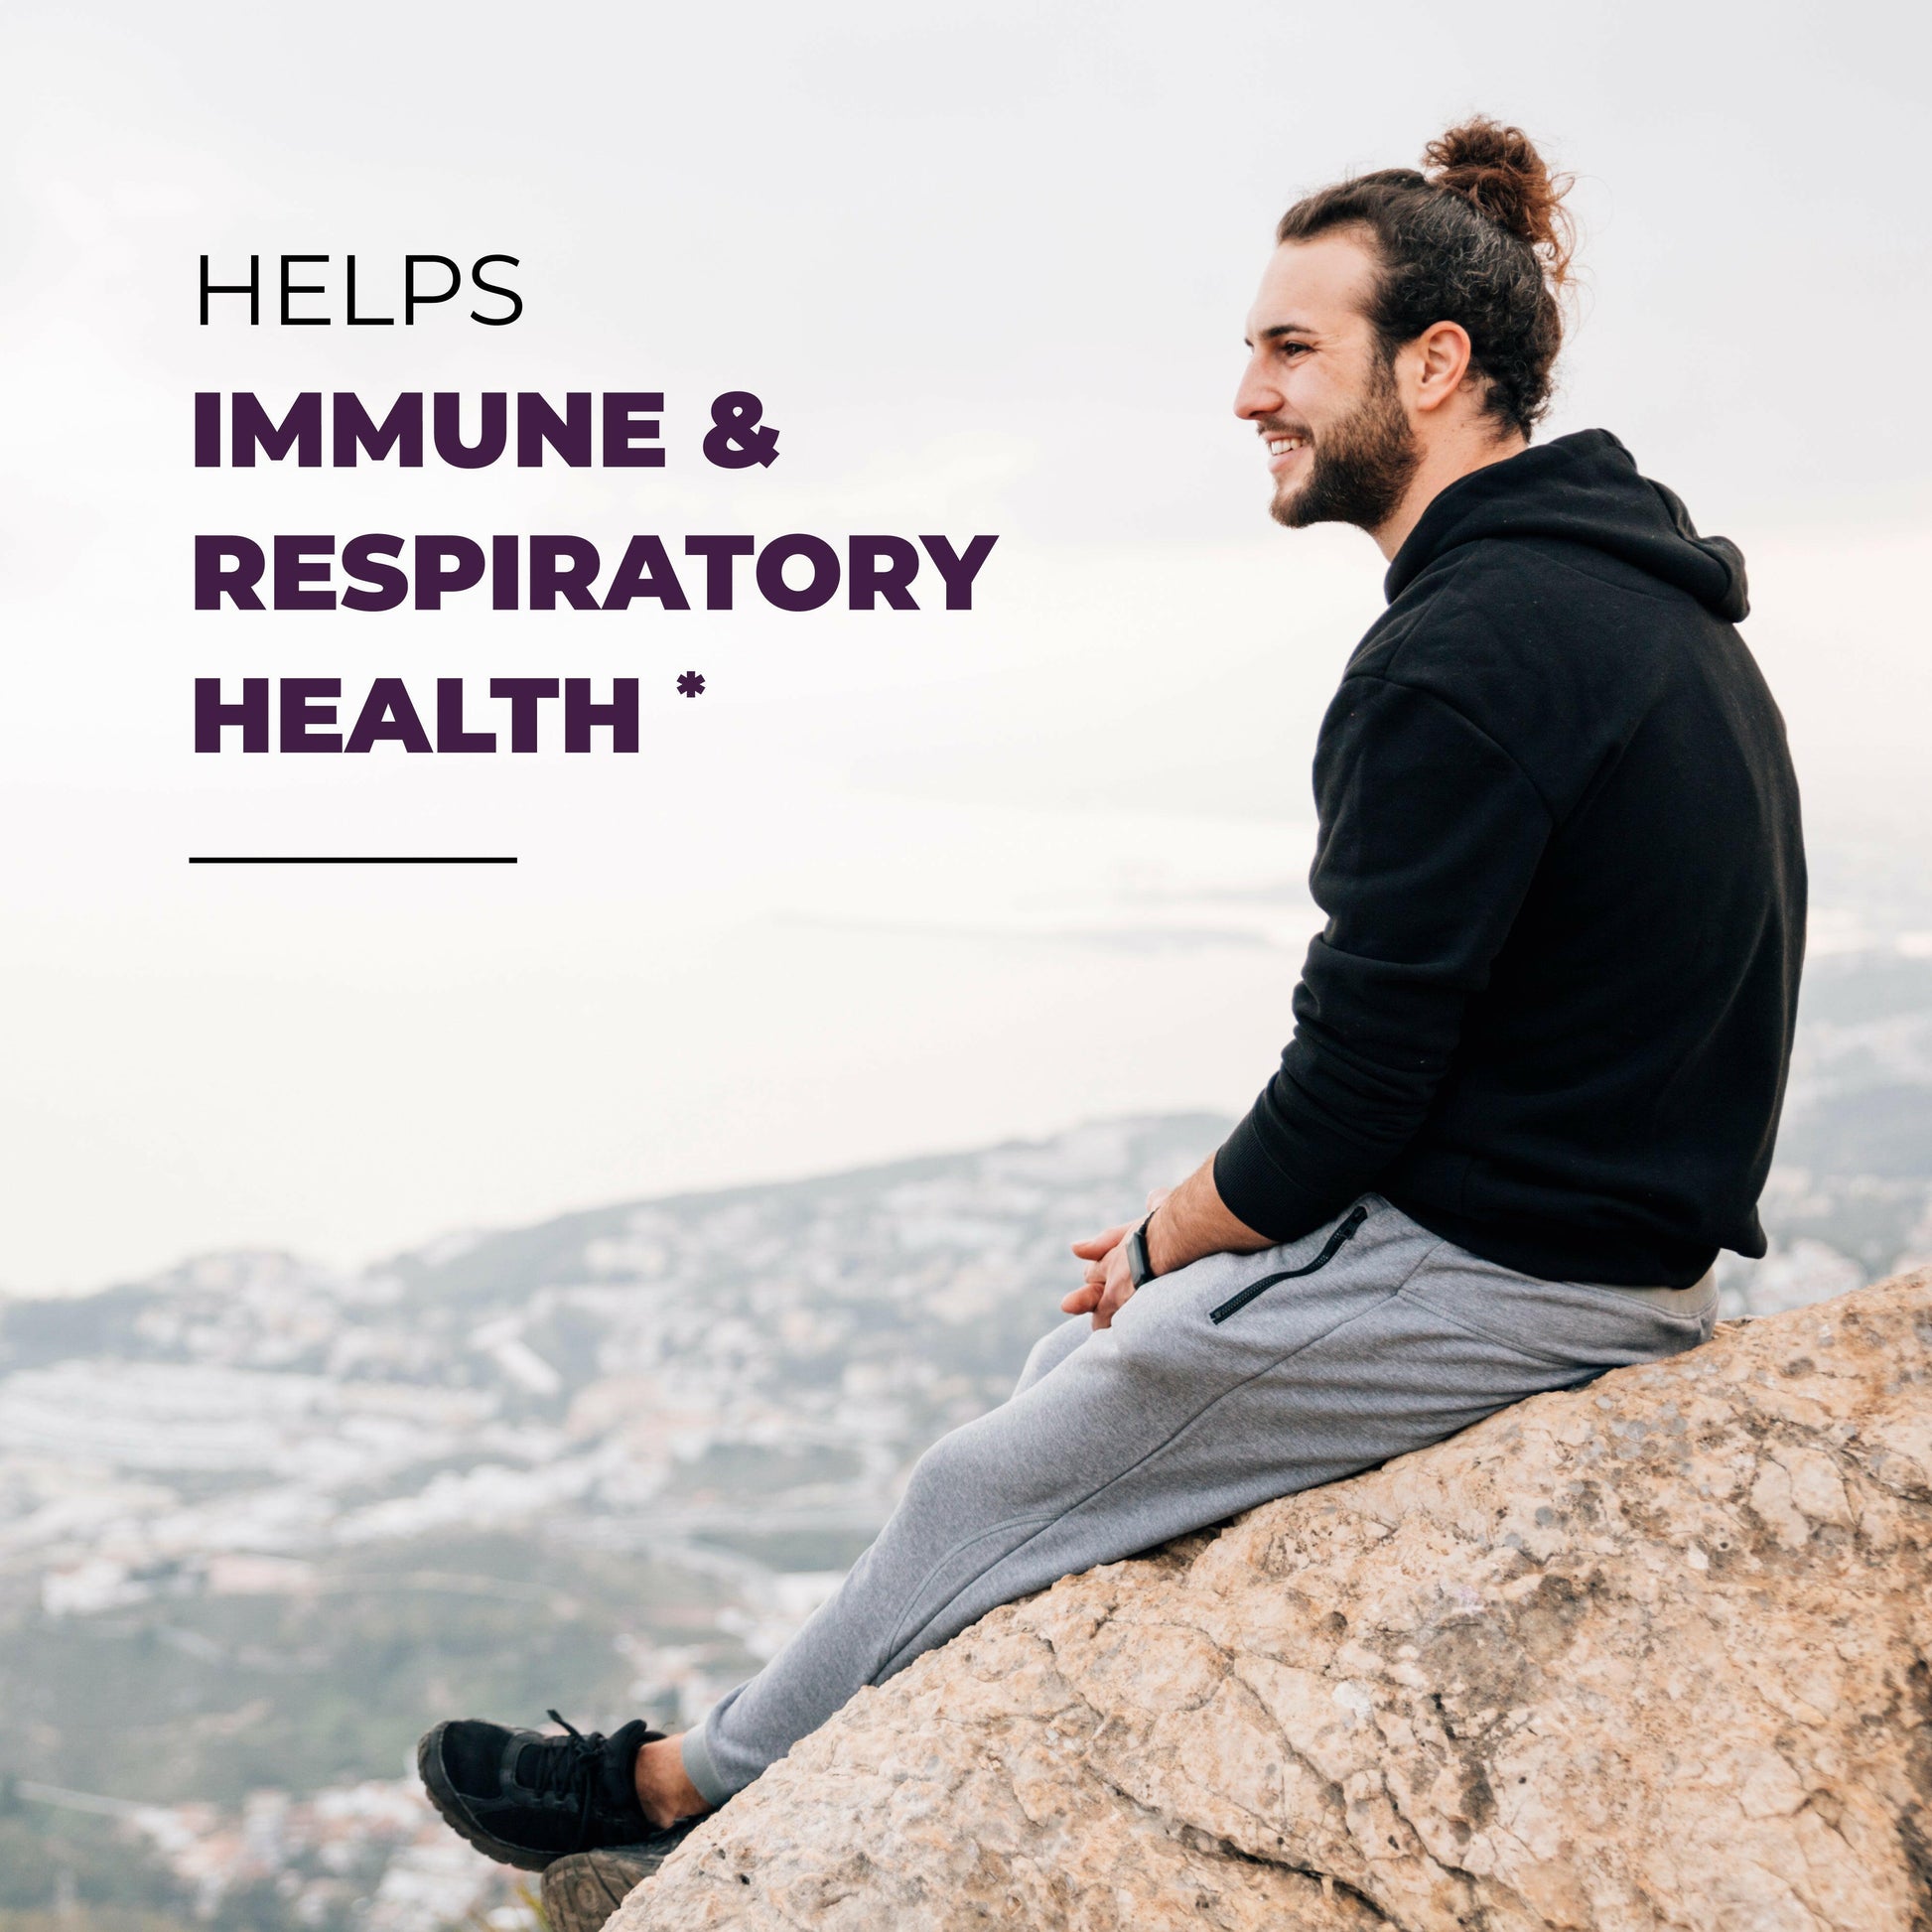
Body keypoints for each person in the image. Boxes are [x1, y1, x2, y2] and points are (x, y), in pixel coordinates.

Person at [416, 116, 1805, 1902]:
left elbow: (1356, 1080)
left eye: (1291, 346)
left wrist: (1167, 1230)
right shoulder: (1628, 597)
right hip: (1561, 1220)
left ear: (1436, 365)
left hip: (1521, 1273)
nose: (1246, 392)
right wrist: (1184, 1253)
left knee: (981, 1478)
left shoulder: (1464, 651)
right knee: (1079, 1371)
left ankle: (675, 1784)